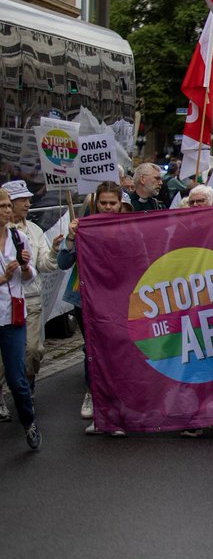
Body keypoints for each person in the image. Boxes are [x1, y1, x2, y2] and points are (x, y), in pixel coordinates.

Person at [57, 182, 125, 436]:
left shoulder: (128, 228)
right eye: (103, 203)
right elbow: (63, 263)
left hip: (118, 303)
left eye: (112, 203)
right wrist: (72, 237)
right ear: (96, 203)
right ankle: (100, 409)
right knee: (93, 354)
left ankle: (120, 414)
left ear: (120, 204)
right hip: (85, 301)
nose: (108, 207)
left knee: (117, 356)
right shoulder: (83, 228)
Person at [0, 181, 59, 396]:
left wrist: (53, 251)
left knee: (33, 350)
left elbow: (45, 264)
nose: (28, 203)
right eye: (22, 200)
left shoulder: (33, 231)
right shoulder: (3, 232)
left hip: (30, 300)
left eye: (28, 199)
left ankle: (27, 386)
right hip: (4, 301)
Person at [0, 188, 38, 450]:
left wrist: (24, 267)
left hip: (12, 317)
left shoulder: (18, 236)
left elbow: (30, 277)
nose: (6, 210)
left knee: (17, 379)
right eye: (1, 206)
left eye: (6, 205)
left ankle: (28, 421)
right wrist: (2, 278)